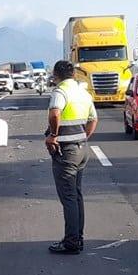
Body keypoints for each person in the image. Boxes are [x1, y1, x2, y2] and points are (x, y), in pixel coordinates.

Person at [44, 61, 98, 255]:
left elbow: (55, 113)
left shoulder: (60, 92)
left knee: (68, 197)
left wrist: (53, 135)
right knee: (76, 195)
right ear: (74, 74)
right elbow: (93, 119)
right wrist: (83, 136)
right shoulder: (83, 93)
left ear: (56, 75)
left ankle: (71, 242)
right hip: (82, 149)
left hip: (66, 151)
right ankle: (78, 238)